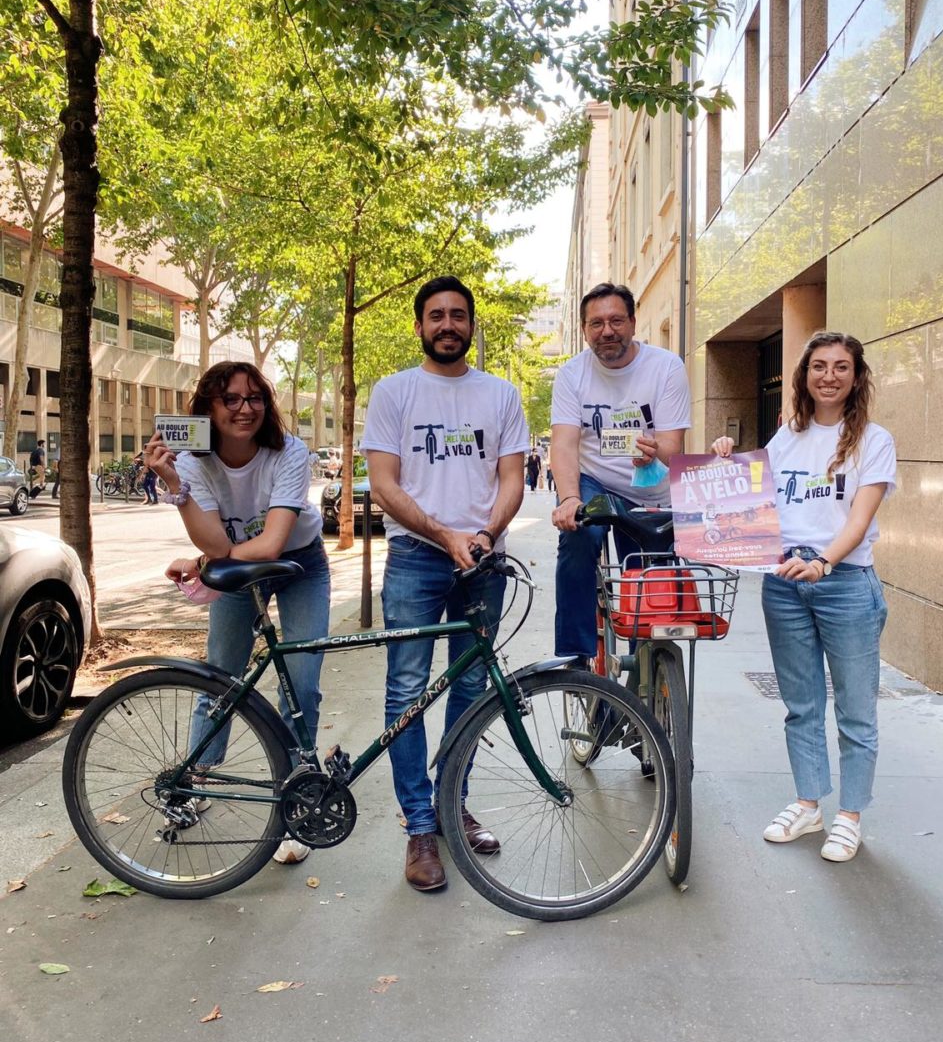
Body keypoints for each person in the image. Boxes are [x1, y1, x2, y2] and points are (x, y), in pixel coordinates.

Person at [362, 275, 528, 893]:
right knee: (406, 689)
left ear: (471, 324)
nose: (448, 325)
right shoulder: (394, 392)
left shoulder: (501, 395)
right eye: (437, 316)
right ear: (419, 326)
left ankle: (452, 804)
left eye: (459, 315)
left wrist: (484, 534)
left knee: (471, 688)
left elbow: (511, 477)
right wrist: (444, 536)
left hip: (483, 560)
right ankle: (420, 828)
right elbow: (384, 484)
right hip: (415, 557)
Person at [711, 331, 896, 864]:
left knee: (856, 710)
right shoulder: (786, 437)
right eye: (819, 366)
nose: (829, 376)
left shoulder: (874, 441)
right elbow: (754, 499)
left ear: (857, 376)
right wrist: (727, 459)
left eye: (841, 367)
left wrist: (824, 562)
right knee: (801, 705)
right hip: (785, 583)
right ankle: (809, 803)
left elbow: (859, 522)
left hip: (843, 585)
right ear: (804, 375)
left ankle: (850, 815)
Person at [144, 361, 331, 866]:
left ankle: (298, 798)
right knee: (219, 678)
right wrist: (175, 488)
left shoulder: (288, 452)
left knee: (302, 682)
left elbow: (271, 542)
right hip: (234, 571)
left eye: (255, 398)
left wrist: (209, 561)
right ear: (208, 407)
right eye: (231, 399)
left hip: (299, 565)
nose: (245, 409)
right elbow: (216, 541)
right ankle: (195, 780)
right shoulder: (190, 463)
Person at [549, 282, 691, 661]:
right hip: (595, 480)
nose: (606, 331)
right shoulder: (571, 375)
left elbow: (673, 446)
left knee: (649, 590)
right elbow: (563, 443)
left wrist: (654, 452)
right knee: (579, 536)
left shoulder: (665, 367)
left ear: (632, 322)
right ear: (584, 329)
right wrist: (569, 499)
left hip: (650, 488)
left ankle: (645, 667)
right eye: (596, 324)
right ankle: (574, 660)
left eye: (615, 321)